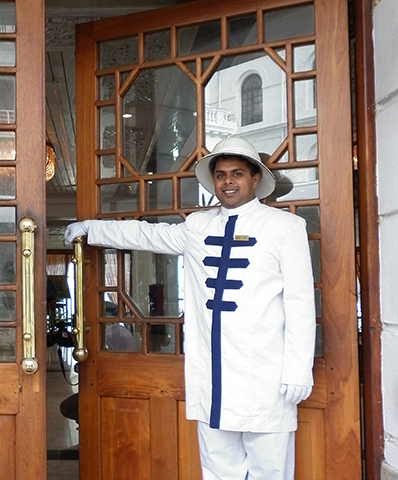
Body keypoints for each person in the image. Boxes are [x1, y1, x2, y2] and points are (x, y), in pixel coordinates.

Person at [64, 136, 316, 480]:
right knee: (217, 470)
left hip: (267, 377)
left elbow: (300, 304)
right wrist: (91, 230)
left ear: (255, 178)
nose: (228, 182)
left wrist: (298, 370)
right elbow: (147, 235)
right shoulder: (199, 226)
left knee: (271, 472)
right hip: (212, 377)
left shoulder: (285, 228)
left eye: (237, 174)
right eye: (221, 175)